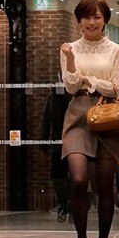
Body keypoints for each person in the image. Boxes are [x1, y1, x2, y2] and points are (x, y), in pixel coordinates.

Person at [60, 0, 119, 238]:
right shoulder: (69, 49)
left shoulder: (116, 50)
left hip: (107, 116)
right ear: (79, 20)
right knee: (77, 179)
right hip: (78, 116)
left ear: (105, 20)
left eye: (97, 16)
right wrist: (71, 61)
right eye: (86, 17)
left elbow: (116, 86)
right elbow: (70, 86)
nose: (91, 22)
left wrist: (89, 80)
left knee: (104, 184)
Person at [39, 79, 71, 222]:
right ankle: (67, 203)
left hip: (63, 143)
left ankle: (64, 203)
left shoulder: (54, 98)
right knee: (63, 174)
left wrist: (44, 145)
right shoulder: (68, 97)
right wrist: (44, 145)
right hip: (68, 143)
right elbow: (46, 122)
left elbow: (46, 122)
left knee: (60, 174)